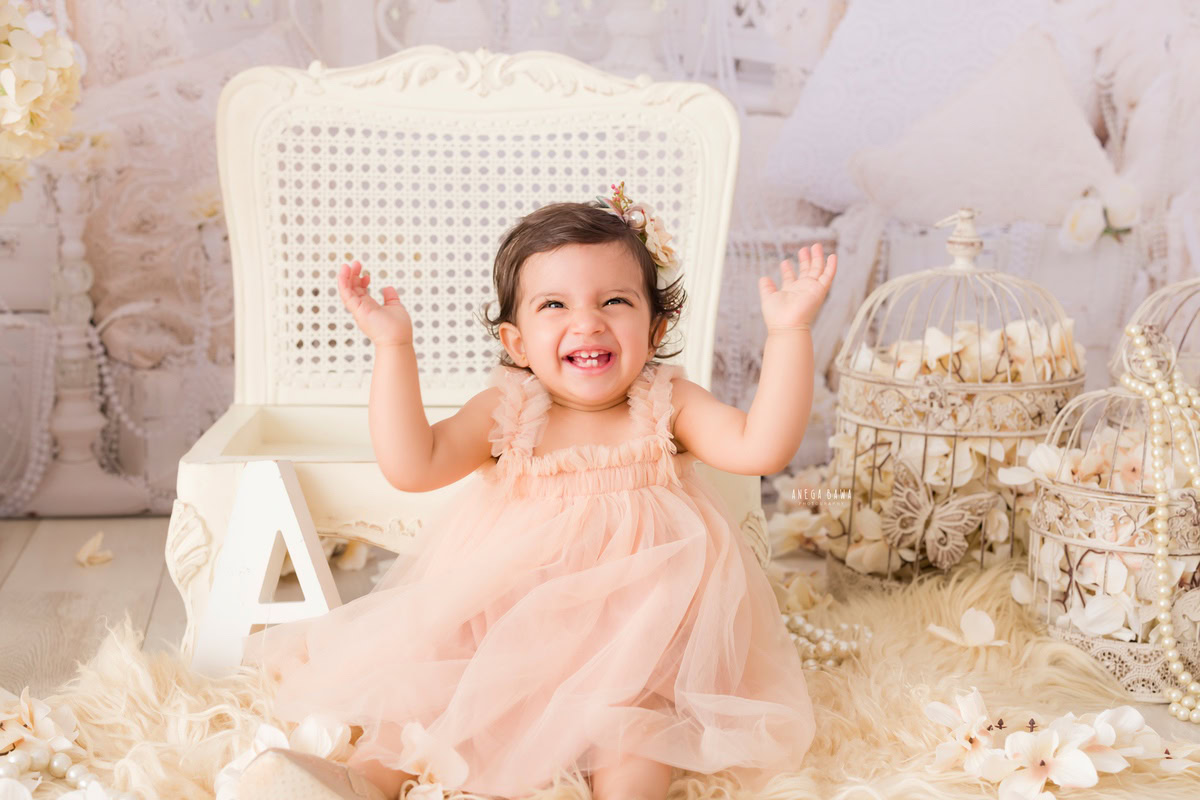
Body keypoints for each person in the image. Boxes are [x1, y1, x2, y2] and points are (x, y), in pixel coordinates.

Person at [237, 182, 837, 800]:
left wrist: (789, 332)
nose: (588, 321)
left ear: (656, 329)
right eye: (554, 304)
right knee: (433, 701)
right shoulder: (510, 410)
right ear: (517, 342)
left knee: (635, 729)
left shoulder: (668, 404)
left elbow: (761, 448)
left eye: (615, 300)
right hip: (506, 630)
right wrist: (393, 347)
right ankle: (359, 782)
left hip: (635, 643)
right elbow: (415, 467)